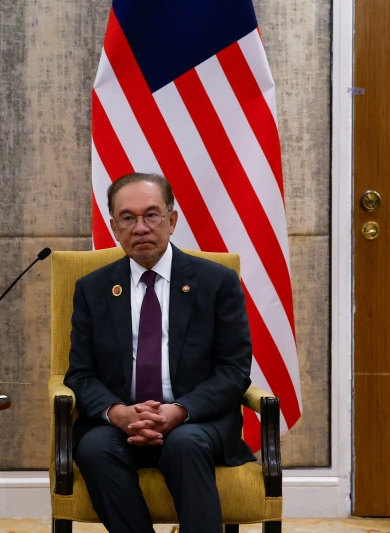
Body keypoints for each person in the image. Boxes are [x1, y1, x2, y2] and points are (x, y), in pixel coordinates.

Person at [65, 172, 254, 533]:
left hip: (198, 419)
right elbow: (80, 373)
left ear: (171, 220)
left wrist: (179, 411)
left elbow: (233, 370)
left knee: (185, 444)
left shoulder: (216, 282)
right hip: (123, 419)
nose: (140, 228)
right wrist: (119, 414)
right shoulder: (93, 289)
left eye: (151, 215)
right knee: (94, 449)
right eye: (128, 218)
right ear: (114, 227)